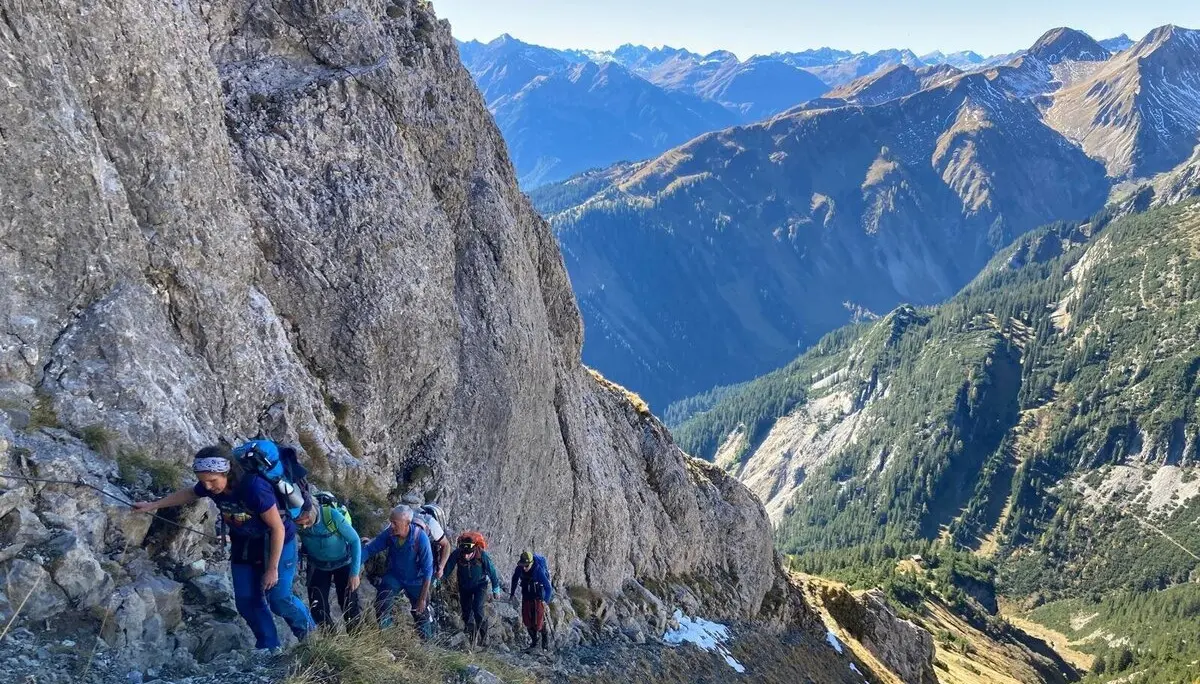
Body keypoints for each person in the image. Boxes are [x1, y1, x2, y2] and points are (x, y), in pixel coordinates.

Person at [134, 446, 314, 652]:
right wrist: (152, 505)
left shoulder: (254, 488)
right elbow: (190, 493)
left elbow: (277, 528)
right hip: (244, 544)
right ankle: (269, 648)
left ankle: (312, 638)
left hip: (277, 542)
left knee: (279, 598)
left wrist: (272, 568)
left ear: (226, 472)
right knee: (246, 601)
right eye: (203, 481)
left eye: (212, 481)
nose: (208, 487)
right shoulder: (210, 485)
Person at [362, 506, 434, 639]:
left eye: (395, 522)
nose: (391, 525)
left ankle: (428, 645)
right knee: (382, 604)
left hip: (416, 581)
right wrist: (353, 569)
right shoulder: (389, 534)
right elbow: (370, 549)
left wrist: (423, 599)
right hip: (394, 576)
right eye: (391, 522)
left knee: (420, 613)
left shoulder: (420, 538)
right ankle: (388, 637)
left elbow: (428, 570)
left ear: (407, 523)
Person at [296, 491, 362, 630]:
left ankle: (358, 642)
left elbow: (355, 540)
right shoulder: (296, 519)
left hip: (343, 564)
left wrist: (354, 573)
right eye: (300, 524)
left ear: (313, 510)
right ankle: (331, 643)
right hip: (317, 566)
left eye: (307, 521)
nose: (305, 527)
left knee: (349, 605)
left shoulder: (331, 515)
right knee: (318, 608)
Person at [442, 531, 502, 649]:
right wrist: (439, 578)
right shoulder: (458, 554)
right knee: (466, 611)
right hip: (464, 586)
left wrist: (496, 589)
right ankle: (471, 635)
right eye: (464, 554)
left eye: (469, 554)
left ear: (474, 550)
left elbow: (492, 572)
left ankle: (484, 637)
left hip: (480, 585)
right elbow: (448, 567)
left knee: (477, 608)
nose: (466, 556)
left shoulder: (482, 555)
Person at [510, 551, 553, 651]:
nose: (524, 568)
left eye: (526, 565)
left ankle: (544, 642)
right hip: (526, 597)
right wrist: (512, 594)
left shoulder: (538, 571)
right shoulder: (520, 568)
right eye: (523, 565)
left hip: (538, 599)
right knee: (527, 622)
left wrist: (545, 601)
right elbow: (515, 579)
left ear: (532, 563)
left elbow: (548, 588)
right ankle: (534, 641)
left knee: (538, 623)